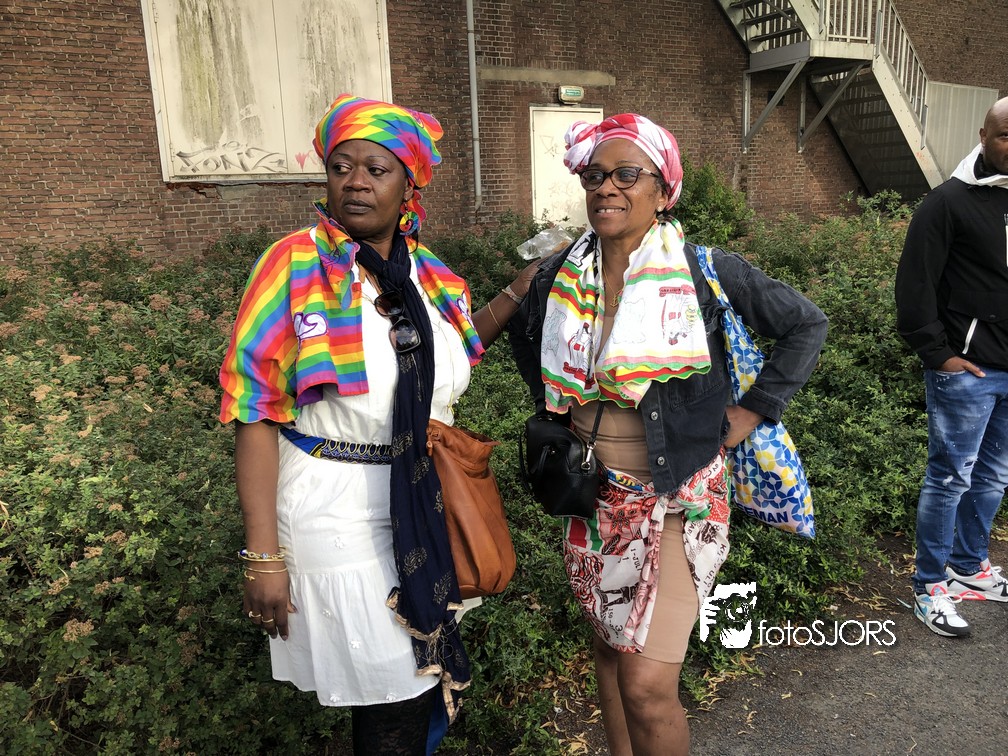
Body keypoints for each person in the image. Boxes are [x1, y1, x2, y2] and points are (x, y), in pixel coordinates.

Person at [218, 94, 540, 754]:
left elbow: (450, 355)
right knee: (394, 693)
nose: (356, 182)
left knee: (410, 692)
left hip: (419, 500)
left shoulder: (426, 274)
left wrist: (515, 291)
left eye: (376, 168)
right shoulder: (294, 266)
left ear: (408, 185)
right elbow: (254, 409)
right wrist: (262, 553)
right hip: (333, 507)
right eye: (341, 167)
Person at [508, 113, 827, 755]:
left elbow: (805, 325)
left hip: (675, 499)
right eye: (595, 176)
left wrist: (751, 412)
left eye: (628, 174)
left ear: (663, 190)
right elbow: (523, 343)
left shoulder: (702, 271)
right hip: (592, 500)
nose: (607, 187)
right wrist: (554, 414)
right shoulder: (560, 277)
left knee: (647, 686)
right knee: (609, 649)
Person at [895, 96, 1008, 638]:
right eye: (1006, 135)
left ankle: (968, 568)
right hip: (967, 373)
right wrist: (938, 353)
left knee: (994, 475)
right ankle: (929, 587)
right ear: (983, 135)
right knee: (949, 478)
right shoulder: (948, 202)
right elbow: (915, 283)